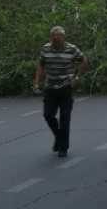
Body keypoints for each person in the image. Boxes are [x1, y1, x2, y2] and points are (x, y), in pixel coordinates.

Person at [33, 26, 88, 157]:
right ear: (50, 37)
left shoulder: (71, 49)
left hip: (66, 87)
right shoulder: (46, 49)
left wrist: (77, 76)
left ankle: (63, 147)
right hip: (50, 87)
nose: (56, 39)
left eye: (58, 37)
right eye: (53, 37)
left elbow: (84, 61)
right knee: (48, 115)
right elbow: (41, 65)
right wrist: (36, 82)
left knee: (65, 118)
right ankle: (59, 137)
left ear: (63, 37)